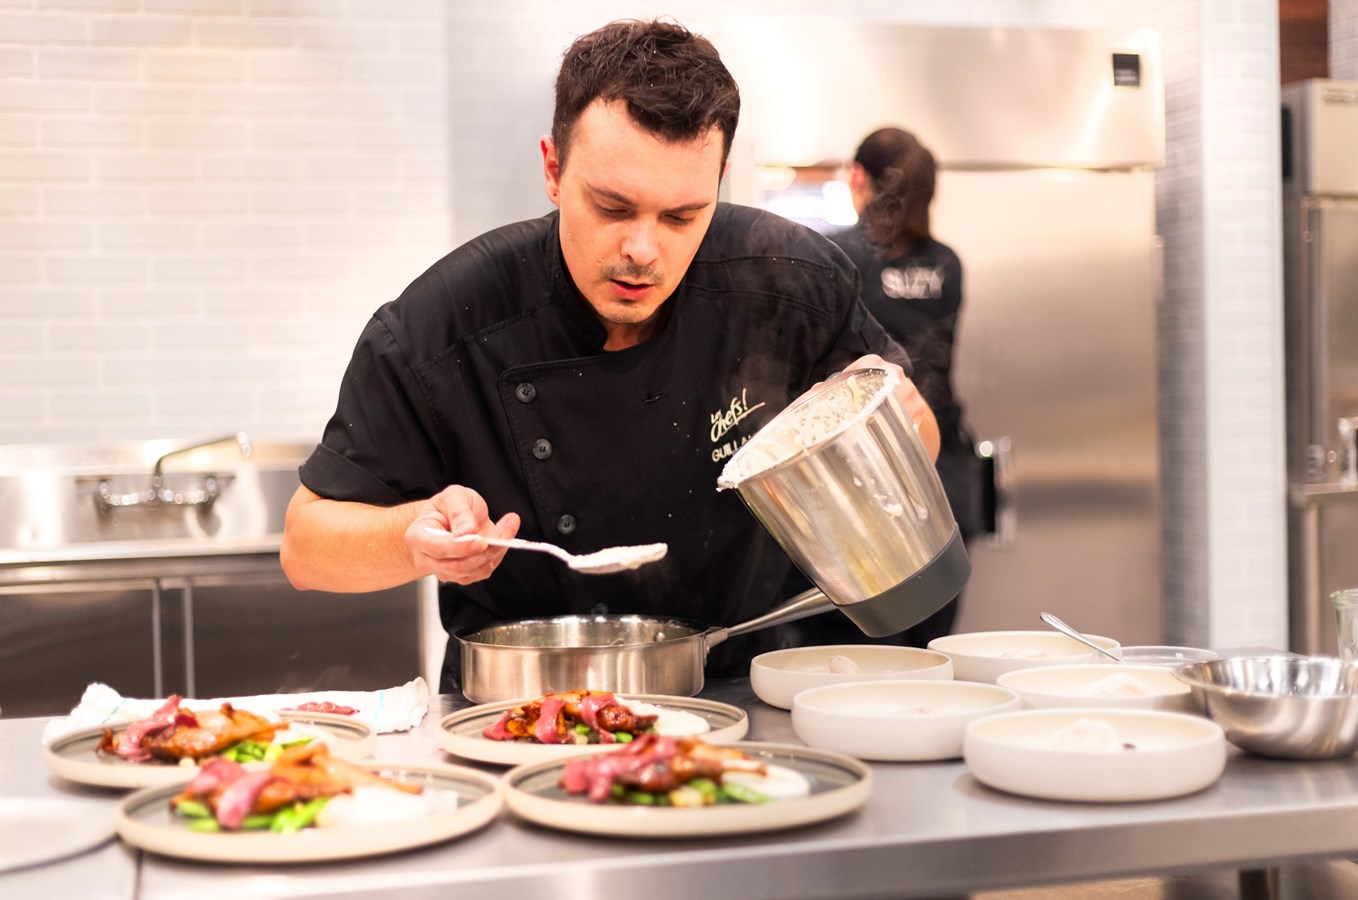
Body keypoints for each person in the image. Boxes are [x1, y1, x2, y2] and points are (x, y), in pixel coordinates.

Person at [279, 19, 939, 694]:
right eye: (612, 207)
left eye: (682, 216)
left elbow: (915, 437)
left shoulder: (791, 281)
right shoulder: (445, 321)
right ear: (553, 169)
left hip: (739, 690)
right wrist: (411, 539)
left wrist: (888, 429)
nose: (643, 250)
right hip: (518, 704)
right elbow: (307, 545)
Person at [819, 126, 982, 648]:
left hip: (866, 485)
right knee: (928, 647)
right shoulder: (949, 265)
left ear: (858, 178)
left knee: (860, 655)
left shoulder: (836, 258)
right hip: (945, 477)